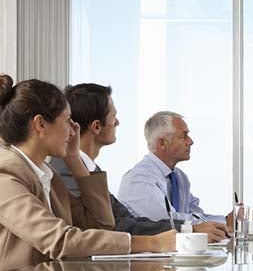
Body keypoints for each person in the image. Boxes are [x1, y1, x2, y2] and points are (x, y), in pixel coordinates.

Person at [0, 75, 175, 271]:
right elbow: (59, 240)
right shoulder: (5, 176)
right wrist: (152, 243)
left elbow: (101, 226)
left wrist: (74, 159)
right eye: (67, 121)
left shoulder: (49, 176)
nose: (73, 131)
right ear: (40, 125)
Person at [50, 83, 228, 241]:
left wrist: (193, 228)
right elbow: (109, 227)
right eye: (114, 116)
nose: (118, 122)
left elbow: (126, 219)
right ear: (96, 126)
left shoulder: (90, 168)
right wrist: (189, 230)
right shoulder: (67, 169)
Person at [118, 111, 231, 229]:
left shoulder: (180, 177)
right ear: (162, 143)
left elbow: (196, 216)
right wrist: (224, 223)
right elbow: (169, 222)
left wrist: (225, 221)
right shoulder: (138, 179)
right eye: (184, 136)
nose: (190, 142)